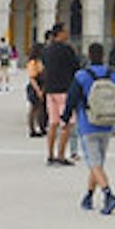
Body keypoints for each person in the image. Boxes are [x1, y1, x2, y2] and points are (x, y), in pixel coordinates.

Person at [60, 41, 115, 215]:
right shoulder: (112, 74)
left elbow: (71, 99)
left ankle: (108, 194)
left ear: (89, 56)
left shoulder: (81, 76)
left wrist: (65, 118)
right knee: (97, 163)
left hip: (88, 123)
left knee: (94, 163)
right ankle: (89, 195)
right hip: (108, 122)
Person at [42, 23, 79, 166]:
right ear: (60, 33)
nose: (68, 34)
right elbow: (76, 67)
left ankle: (50, 155)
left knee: (53, 123)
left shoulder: (47, 50)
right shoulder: (67, 49)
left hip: (50, 90)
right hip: (64, 90)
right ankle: (61, 155)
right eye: (66, 32)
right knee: (67, 124)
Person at [25, 43, 46, 138]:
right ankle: (32, 129)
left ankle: (41, 127)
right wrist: (38, 90)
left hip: (41, 85)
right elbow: (32, 78)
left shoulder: (39, 61)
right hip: (35, 87)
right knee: (33, 108)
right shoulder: (33, 62)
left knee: (40, 108)